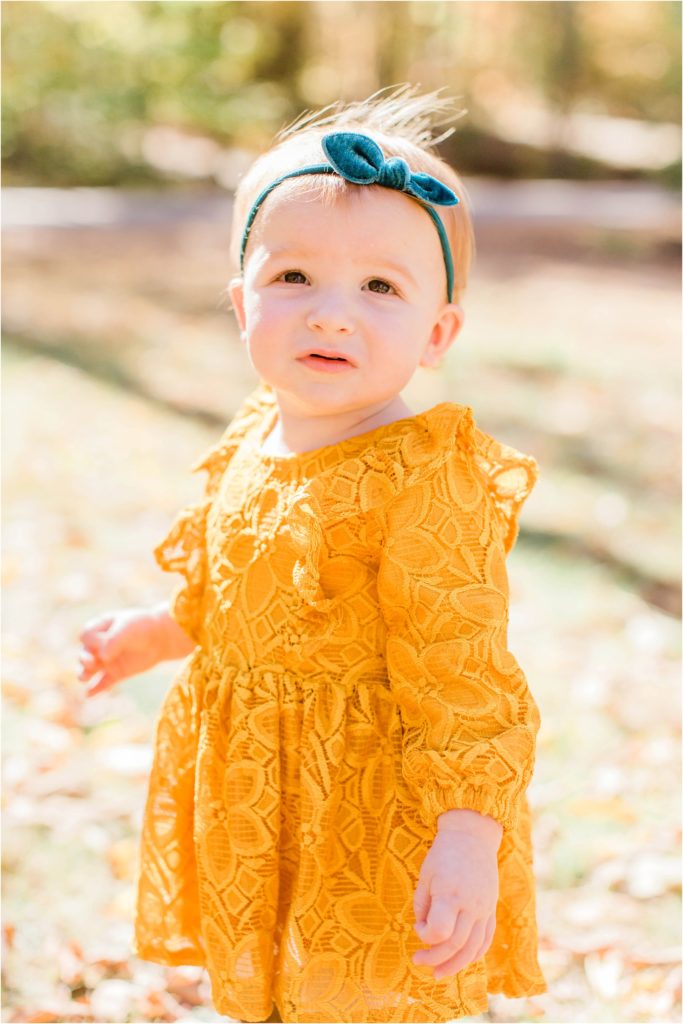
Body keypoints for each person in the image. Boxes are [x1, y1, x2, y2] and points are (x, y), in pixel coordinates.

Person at [77, 86, 546, 1024]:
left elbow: (464, 675)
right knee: (272, 990)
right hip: (260, 795)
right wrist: (164, 630)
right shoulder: (256, 434)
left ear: (437, 334)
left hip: (367, 810)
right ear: (240, 303)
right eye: (292, 278)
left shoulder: (425, 477)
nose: (332, 314)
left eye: (380, 288)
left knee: (359, 996)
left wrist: (465, 831)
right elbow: (238, 582)